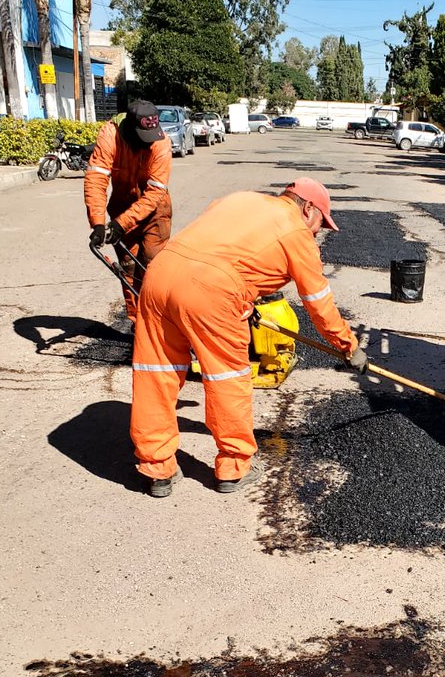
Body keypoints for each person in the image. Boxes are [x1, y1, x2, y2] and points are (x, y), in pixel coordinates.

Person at [130, 178, 369, 497]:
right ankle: (232, 468)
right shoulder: (296, 232)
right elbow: (318, 302)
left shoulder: (240, 199)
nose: (317, 231)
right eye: (320, 223)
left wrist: (245, 300)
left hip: (159, 276)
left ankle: (157, 470)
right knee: (227, 376)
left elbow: (221, 249)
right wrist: (348, 346)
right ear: (308, 208)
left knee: (155, 374)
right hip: (211, 291)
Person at [84, 100, 172, 322]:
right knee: (128, 269)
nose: (148, 143)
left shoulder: (161, 143)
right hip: (122, 206)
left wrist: (121, 224)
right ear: (130, 130)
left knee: (153, 268)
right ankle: (139, 325)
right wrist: (98, 223)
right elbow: (96, 179)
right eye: (143, 138)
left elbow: (154, 193)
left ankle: (158, 322)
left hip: (155, 211)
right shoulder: (110, 136)